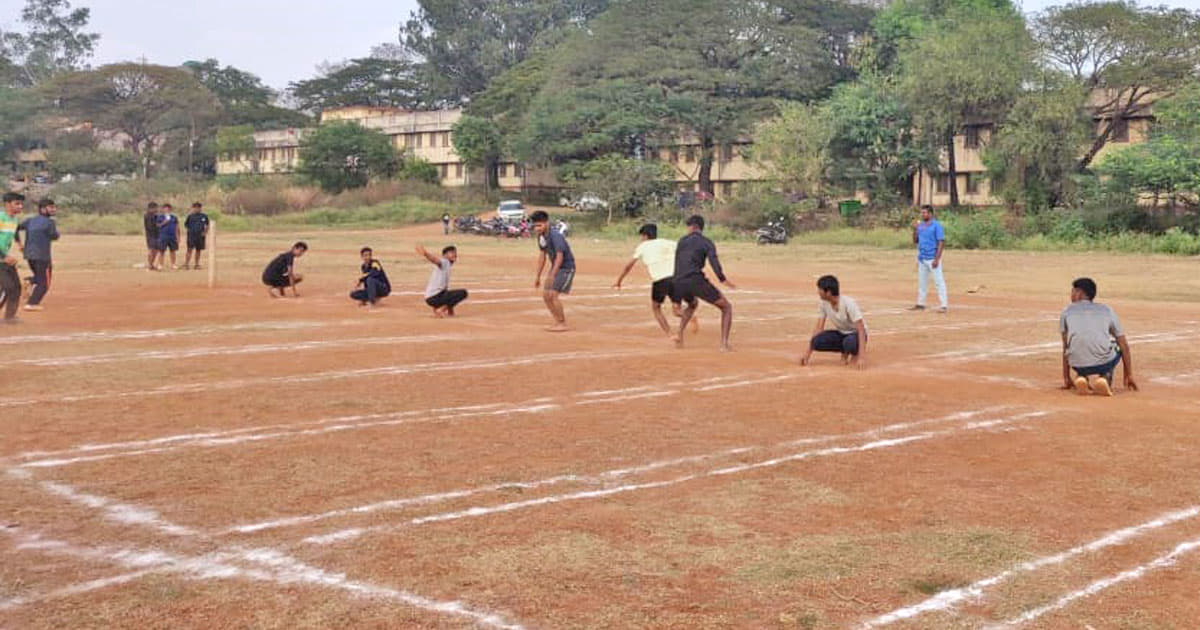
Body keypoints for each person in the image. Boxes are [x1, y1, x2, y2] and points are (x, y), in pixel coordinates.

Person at [612, 223, 698, 337]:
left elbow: (629, 266)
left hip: (660, 280)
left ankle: (671, 334)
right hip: (677, 277)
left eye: (641, 236)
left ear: (645, 236)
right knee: (677, 310)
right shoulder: (666, 242)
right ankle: (689, 316)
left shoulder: (642, 246)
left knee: (656, 308)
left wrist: (618, 281)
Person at [1060, 277, 1137, 396]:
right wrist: (1129, 375)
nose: (1071, 295)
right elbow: (1124, 345)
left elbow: (1066, 347)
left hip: (1076, 363)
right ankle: (1104, 378)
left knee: (1076, 346)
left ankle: (1081, 377)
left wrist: (1066, 378)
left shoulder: (1066, 312)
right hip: (1103, 363)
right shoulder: (1107, 310)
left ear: (1079, 293)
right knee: (1117, 345)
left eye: (1073, 291)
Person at [673, 215, 735, 351]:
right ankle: (724, 344)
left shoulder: (682, 241)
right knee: (726, 307)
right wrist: (722, 279)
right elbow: (714, 262)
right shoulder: (706, 242)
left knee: (692, 304)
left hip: (678, 280)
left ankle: (679, 336)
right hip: (695, 279)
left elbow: (678, 261)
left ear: (693, 227)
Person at [799, 275, 868, 370]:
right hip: (842, 333)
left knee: (850, 342)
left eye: (820, 289)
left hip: (856, 334)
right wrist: (807, 354)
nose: (818, 292)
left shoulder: (849, 303)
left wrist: (862, 357)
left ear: (828, 292)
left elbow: (861, 329)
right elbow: (819, 328)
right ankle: (844, 351)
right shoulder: (824, 303)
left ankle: (853, 354)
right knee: (817, 341)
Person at [531, 210, 574, 332]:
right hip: (555, 267)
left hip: (566, 267)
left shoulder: (556, 236)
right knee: (546, 295)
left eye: (539, 225)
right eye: (535, 226)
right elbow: (542, 256)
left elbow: (560, 257)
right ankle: (557, 320)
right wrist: (538, 276)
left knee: (553, 294)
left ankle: (562, 323)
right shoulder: (541, 237)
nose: (537, 228)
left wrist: (553, 274)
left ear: (547, 223)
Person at [15, 198, 58, 311]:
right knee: (45, 283)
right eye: (51, 207)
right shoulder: (50, 222)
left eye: (54, 207)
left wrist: (19, 243)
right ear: (43, 209)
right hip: (42, 256)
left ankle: (30, 281)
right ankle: (32, 303)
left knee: (39, 277)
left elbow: (15, 228)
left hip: (29, 255)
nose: (54, 209)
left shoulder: (30, 220)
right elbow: (55, 236)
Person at [910, 205, 948, 313]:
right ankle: (920, 303)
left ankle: (944, 305)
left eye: (925, 213)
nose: (923, 215)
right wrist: (915, 229)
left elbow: (941, 242)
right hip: (922, 258)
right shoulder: (920, 226)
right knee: (922, 282)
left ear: (930, 214)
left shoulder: (936, 226)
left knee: (938, 281)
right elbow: (915, 240)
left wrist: (937, 258)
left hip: (932, 258)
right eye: (922, 213)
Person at [418, 244, 467, 317]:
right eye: (452, 253)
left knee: (449, 293)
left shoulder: (447, 265)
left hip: (432, 298)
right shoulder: (445, 262)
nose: (455, 255)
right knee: (463, 293)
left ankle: (439, 308)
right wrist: (426, 254)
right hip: (435, 297)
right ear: (445, 255)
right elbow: (436, 260)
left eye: (455, 253)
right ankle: (440, 310)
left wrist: (451, 310)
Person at [0, 192, 24, 324]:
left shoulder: (14, 219)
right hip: (1, 259)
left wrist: (19, 243)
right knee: (7, 287)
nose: (20, 207)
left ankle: (10, 317)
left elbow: (14, 231)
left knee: (16, 287)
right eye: (17, 204)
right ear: (7, 204)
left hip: (5, 259)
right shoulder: (1, 217)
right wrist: (4, 256)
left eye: (21, 204)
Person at [183, 202, 209, 270]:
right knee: (189, 249)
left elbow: (207, 225)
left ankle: (196, 264)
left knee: (198, 250)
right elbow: (186, 225)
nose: (197, 209)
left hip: (200, 236)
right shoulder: (190, 216)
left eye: (199, 207)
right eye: (195, 207)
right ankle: (186, 264)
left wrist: (205, 232)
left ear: (201, 208)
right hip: (191, 236)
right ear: (193, 208)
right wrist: (191, 231)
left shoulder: (204, 216)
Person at [155, 204, 181, 270]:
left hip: (172, 236)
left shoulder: (174, 217)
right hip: (163, 236)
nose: (167, 210)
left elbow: (177, 227)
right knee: (161, 251)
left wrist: (178, 237)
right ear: (163, 209)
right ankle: (160, 265)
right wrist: (164, 222)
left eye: (168, 209)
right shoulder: (160, 217)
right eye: (165, 208)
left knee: (173, 251)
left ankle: (173, 264)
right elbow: (157, 226)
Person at [143, 202, 160, 270]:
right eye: (155, 208)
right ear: (151, 208)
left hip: (157, 234)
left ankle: (151, 264)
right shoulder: (148, 215)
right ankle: (150, 264)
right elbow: (150, 226)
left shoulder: (155, 215)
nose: (156, 209)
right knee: (151, 249)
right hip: (151, 235)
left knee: (156, 250)